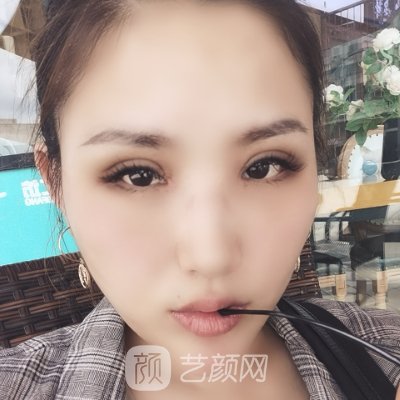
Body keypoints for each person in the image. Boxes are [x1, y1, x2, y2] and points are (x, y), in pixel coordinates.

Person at [1, 0, 400, 399]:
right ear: (56, 183)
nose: (211, 256)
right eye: (138, 175)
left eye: (264, 167)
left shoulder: (384, 352)